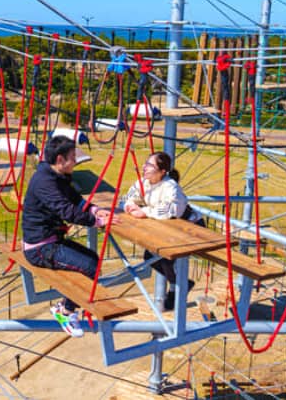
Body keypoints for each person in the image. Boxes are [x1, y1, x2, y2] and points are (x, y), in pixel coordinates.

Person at [22, 135, 118, 337]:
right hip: (40, 249)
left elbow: (74, 199)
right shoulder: (44, 182)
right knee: (90, 267)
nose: (75, 161)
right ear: (60, 160)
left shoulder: (56, 176)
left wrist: (94, 210)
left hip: (50, 241)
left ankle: (64, 305)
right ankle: (66, 311)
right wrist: (97, 222)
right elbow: (67, 211)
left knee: (94, 261)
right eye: (73, 157)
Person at [122, 151, 204, 310]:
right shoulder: (143, 182)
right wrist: (130, 206)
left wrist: (144, 211)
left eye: (150, 165)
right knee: (151, 256)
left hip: (190, 226)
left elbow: (170, 211)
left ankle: (176, 288)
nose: (144, 168)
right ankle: (179, 284)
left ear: (162, 172)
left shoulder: (170, 187)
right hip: (167, 227)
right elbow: (129, 197)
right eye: (145, 163)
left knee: (164, 256)